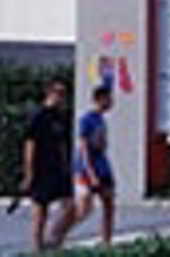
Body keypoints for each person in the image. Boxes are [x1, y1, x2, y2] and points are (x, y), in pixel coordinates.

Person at [19, 78, 73, 252]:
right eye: (59, 93)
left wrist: (68, 166)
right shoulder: (39, 116)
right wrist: (28, 172)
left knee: (71, 207)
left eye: (64, 94)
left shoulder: (61, 117)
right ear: (49, 93)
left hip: (59, 169)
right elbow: (29, 145)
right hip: (42, 169)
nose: (62, 97)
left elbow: (63, 144)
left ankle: (54, 239)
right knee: (40, 212)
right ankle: (36, 248)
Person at [64, 84, 118, 247]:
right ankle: (59, 233)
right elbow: (83, 148)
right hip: (86, 168)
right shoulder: (87, 120)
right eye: (108, 99)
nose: (111, 102)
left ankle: (106, 242)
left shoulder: (101, 119)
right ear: (99, 100)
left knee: (109, 203)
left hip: (102, 166)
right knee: (84, 209)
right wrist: (90, 172)